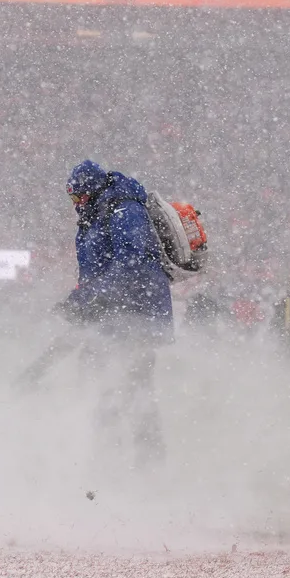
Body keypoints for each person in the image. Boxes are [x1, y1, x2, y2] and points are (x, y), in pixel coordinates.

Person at [56, 160, 173, 467]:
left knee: (132, 389)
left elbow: (132, 266)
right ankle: (108, 459)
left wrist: (90, 299)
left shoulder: (124, 211)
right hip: (110, 318)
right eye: (71, 198)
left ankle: (145, 465)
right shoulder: (92, 218)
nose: (75, 204)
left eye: (78, 197)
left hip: (138, 318)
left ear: (92, 192)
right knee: (100, 384)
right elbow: (95, 274)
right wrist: (78, 300)